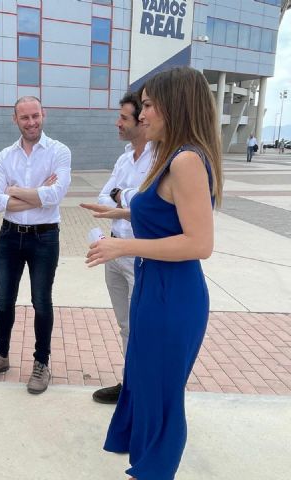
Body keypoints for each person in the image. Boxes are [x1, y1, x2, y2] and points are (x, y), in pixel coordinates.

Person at [82, 66, 223, 479]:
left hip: (173, 295)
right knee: (141, 376)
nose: (141, 115)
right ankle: (139, 450)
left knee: (161, 393)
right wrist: (121, 211)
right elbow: (168, 214)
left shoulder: (186, 161)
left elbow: (200, 244)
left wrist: (122, 244)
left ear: (172, 105)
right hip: (153, 286)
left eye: (146, 105)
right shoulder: (173, 156)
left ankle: (155, 470)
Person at [0, 96, 71, 394]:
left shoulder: (60, 151)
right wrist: (38, 192)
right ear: (15, 120)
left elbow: (55, 196)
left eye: (35, 116)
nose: (31, 122)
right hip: (9, 236)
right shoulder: (4, 156)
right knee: (3, 299)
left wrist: (15, 191)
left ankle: (41, 363)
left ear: (43, 114)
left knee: (41, 302)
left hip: (45, 237)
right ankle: (2, 355)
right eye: (25, 118)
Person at [91, 91, 152, 405]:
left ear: (142, 121)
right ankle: (130, 385)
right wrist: (124, 196)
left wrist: (121, 196)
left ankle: (142, 391)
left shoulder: (161, 157)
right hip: (114, 249)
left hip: (141, 254)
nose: (118, 123)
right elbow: (104, 198)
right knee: (125, 324)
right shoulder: (124, 158)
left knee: (143, 326)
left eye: (124, 118)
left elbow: (148, 203)